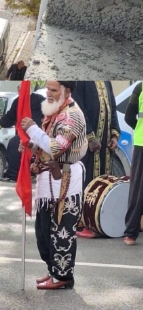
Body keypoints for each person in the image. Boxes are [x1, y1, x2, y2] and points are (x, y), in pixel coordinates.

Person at [19, 81, 87, 290]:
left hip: (65, 181)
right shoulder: (56, 110)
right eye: (48, 89)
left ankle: (63, 277)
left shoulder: (72, 115)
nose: (48, 93)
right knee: (44, 230)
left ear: (67, 92)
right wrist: (32, 144)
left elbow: (56, 147)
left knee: (62, 232)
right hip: (48, 180)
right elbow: (47, 140)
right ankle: (52, 270)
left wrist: (32, 130)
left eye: (54, 90)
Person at [72, 82, 120, 238]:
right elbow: (78, 108)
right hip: (87, 143)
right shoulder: (80, 81)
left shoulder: (106, 81)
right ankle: (81, 222)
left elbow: (112, 107)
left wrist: (114, 134)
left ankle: (97, 220)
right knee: (86, 180)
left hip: (104, 144)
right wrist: (91, 136)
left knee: (102, 182)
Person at [0, 83, 45, 181]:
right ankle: (17, 174)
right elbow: (10, 118)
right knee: (16, 146)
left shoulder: (33, 100)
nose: (20, 92)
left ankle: (15, 174)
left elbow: (9, 119)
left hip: (34, 133)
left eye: (21, 91)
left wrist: (1, 121)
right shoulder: (20, 101)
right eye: (19, 91)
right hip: (30, 135)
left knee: (16, 146)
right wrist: (1, 121)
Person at [123, 82, 143, 245]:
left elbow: (129, 116)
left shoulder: (140, 87)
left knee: (137, 188)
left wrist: (139, 128)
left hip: (141, 142)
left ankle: (131, 233)